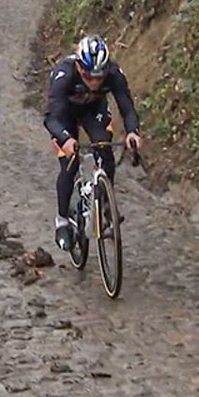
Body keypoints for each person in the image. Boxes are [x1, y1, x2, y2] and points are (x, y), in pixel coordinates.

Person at [43, 35, 142, 251]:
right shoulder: (64, 75)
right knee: (69, 166)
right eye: (89, 77)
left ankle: (105, 199)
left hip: (93, 110)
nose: (95, 83)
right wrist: (66, 139)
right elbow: (51, 118)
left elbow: (126, 106)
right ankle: (61, 221)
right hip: (64, 114)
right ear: (79, 67)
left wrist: (133, 132)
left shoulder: (114, 74)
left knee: (104, 148)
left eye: (100, 77)